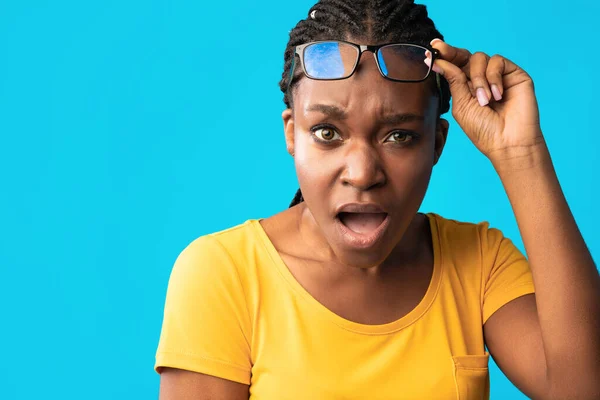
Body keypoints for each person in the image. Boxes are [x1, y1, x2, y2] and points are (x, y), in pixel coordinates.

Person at [154, 0, 600, 399]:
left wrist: (520, 153)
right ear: (292, 133)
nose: (363, 173)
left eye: (399, 136)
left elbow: (581, 389)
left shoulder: (480, 263)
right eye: (328, 133)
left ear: (437, 144)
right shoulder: (223, 274)